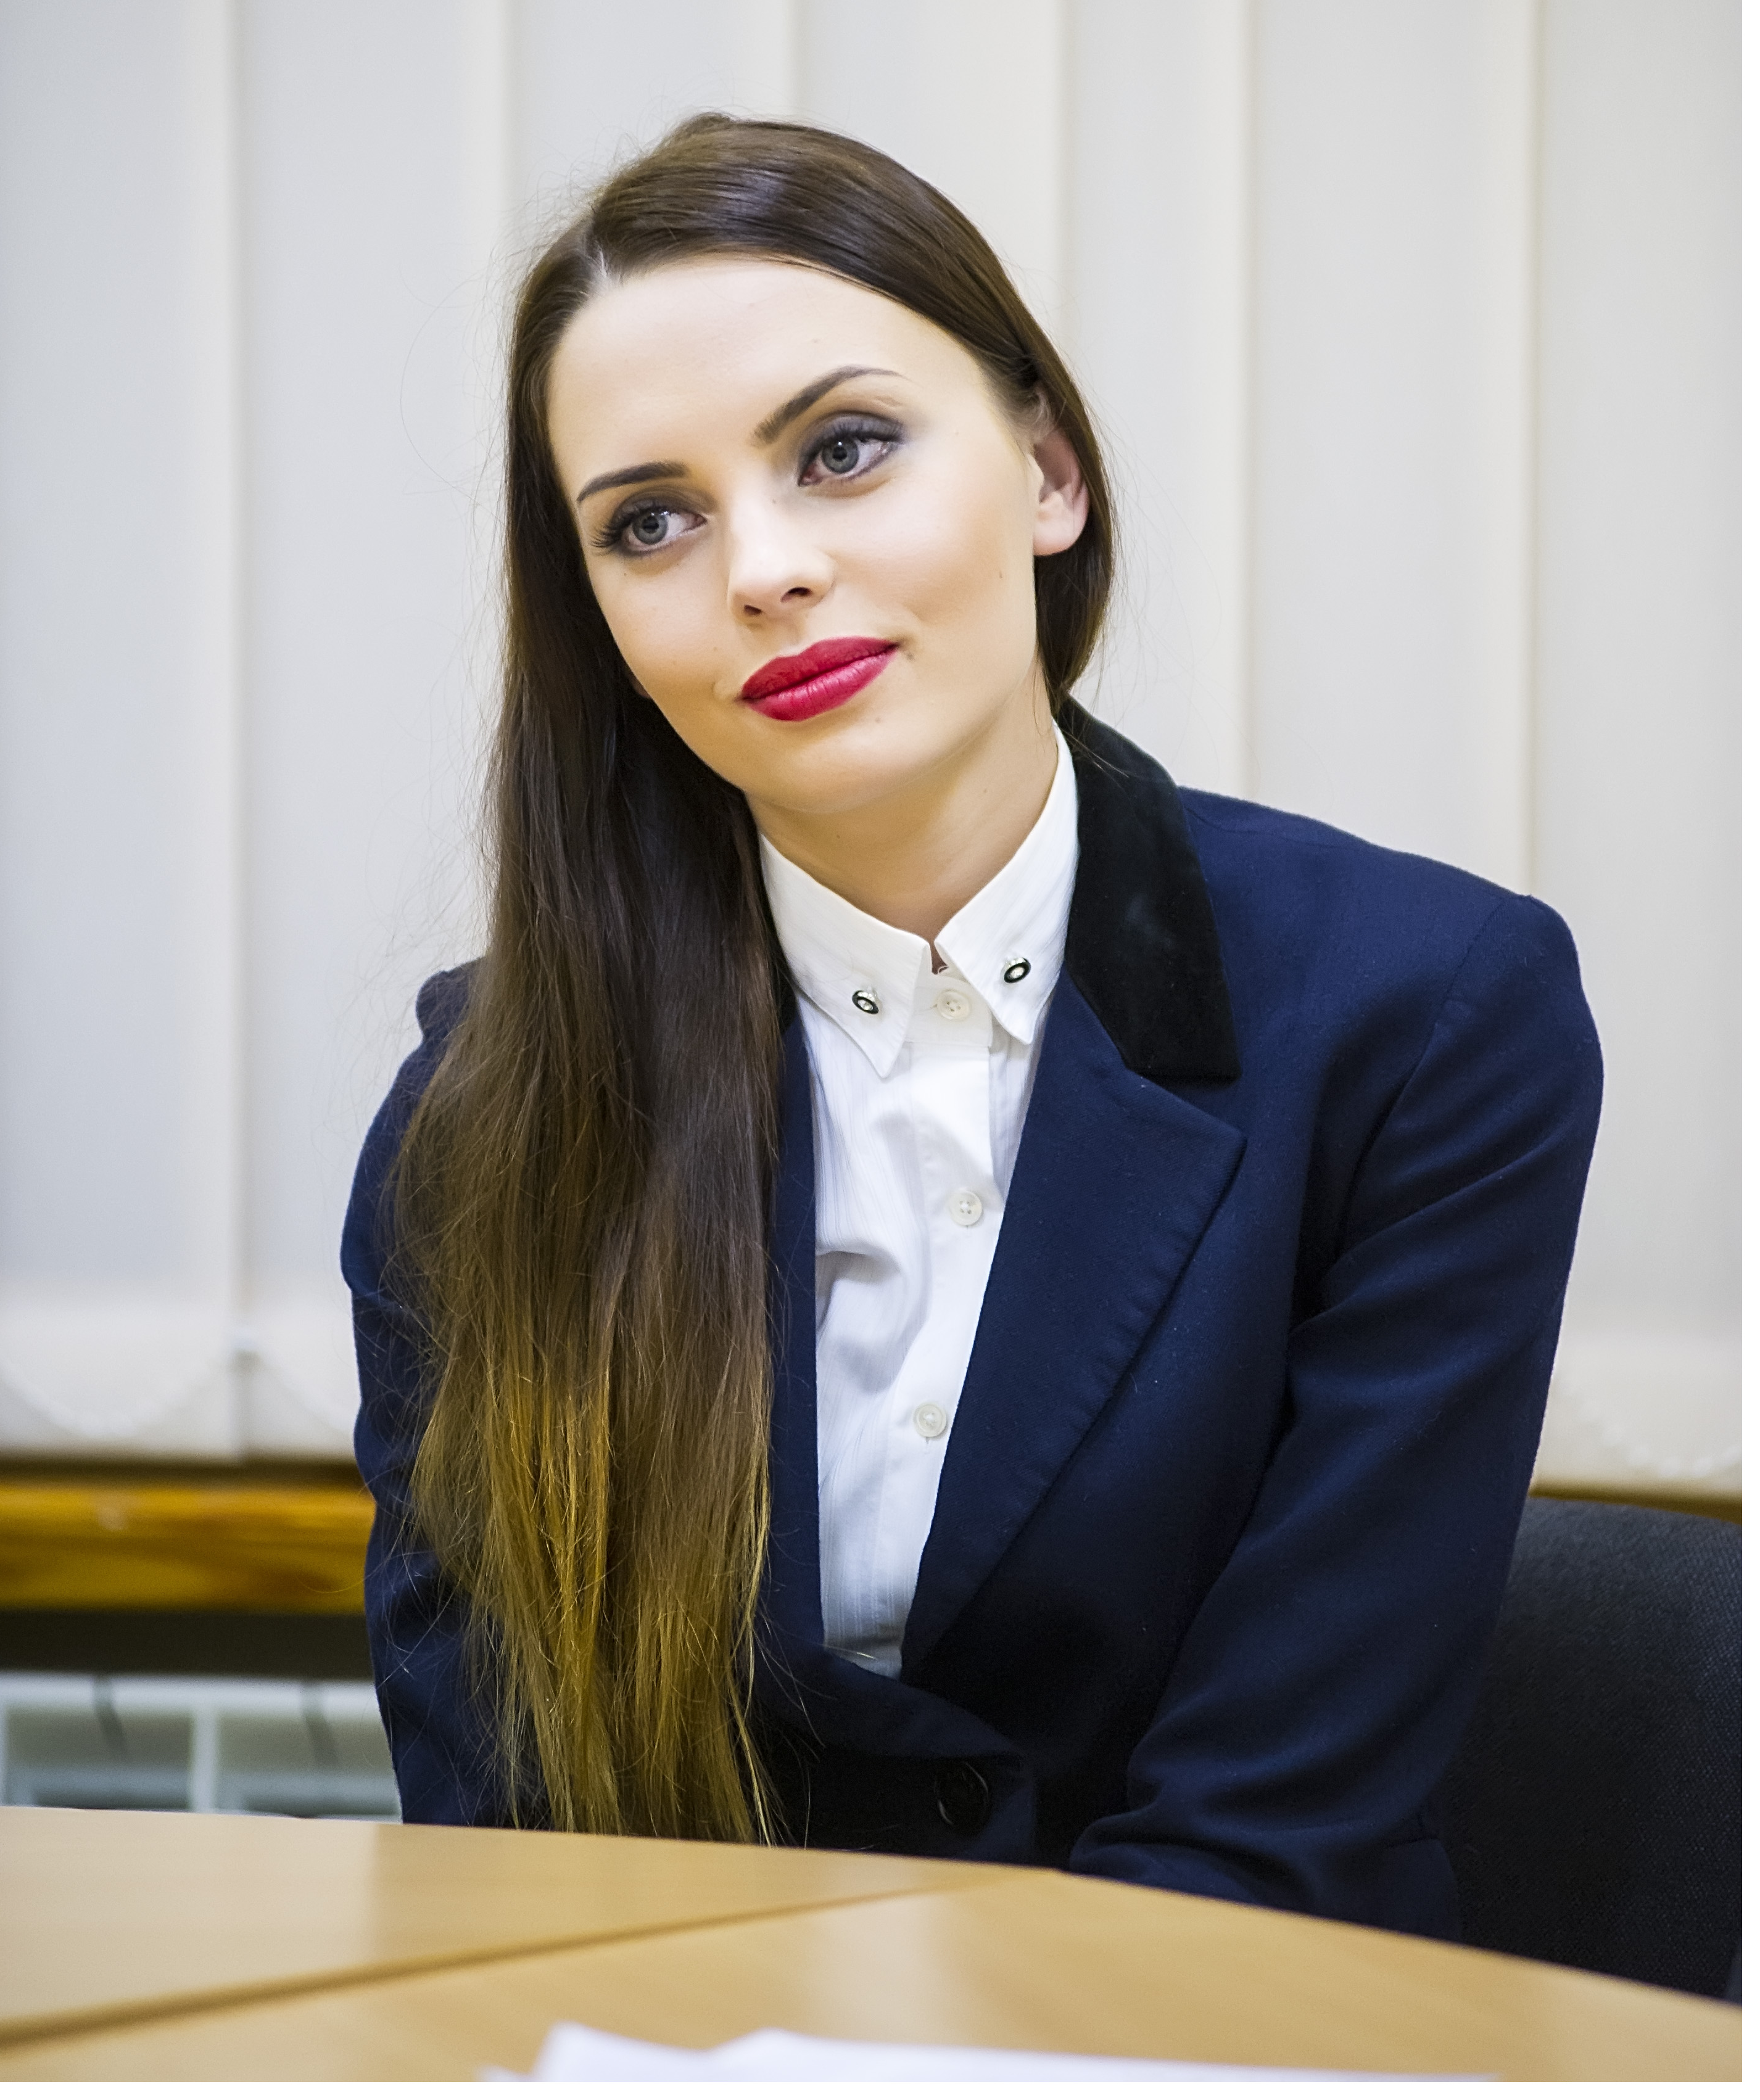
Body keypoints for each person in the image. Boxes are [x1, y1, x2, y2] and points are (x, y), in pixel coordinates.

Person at [343, 113, 1601, 1940]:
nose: (761, 568)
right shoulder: (481, 1112)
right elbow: (501, 1852)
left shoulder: (1428, 1019)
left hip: (1227, 2029)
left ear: (1046, 473)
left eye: (842, 450)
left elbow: (1272, 1836)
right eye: (650, 521)